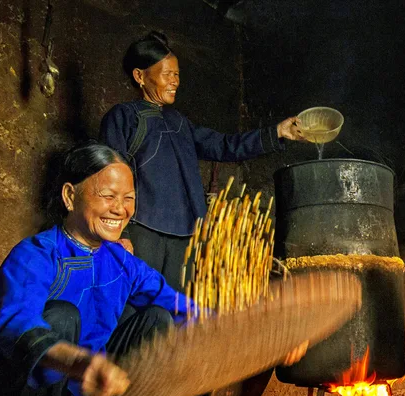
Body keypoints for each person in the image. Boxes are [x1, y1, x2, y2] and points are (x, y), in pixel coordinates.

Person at [0, 142, 193, 396]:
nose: (120, 209)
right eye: (108, 195)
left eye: (129, 198)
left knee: (157, 319)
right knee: (61, 314)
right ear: (70, 196)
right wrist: (80, 362)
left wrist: (256, 333)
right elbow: (16, 325)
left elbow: (179, 306)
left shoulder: (122, 261)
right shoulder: (36, 254)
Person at [99, 30, 307, 290]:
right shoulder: (123, 117)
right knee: (136, 304)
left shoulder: (180, 123)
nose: (175, 81)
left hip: (187, 236)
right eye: (167, 74)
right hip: (142, 230)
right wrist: (121, 234)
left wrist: (277, 132)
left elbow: (224, 146)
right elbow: (108, 179)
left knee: (177, 311)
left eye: (177, 75)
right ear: (140, 76)